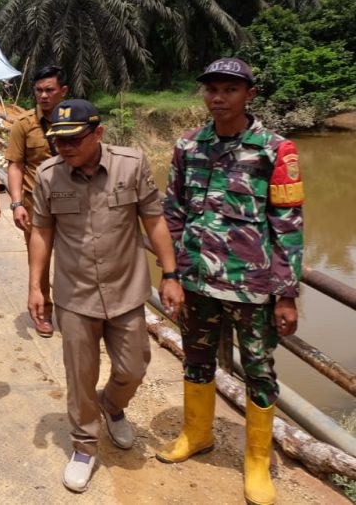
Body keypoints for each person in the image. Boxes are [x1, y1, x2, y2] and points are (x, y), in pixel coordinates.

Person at [156, 58, 302, 505]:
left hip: (253, 288)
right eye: (212, 89)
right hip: (197, 283)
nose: (219, 97)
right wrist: (173, 275)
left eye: (230, 90)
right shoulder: (188, 145)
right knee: (196, 359)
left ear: (249, 95)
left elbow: (288, 224)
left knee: (259, 371)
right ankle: (197, 433)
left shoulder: (276, 150)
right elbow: (173, 213)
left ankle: (256, 461)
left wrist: (286, 293)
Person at [27, 99, 179, 493]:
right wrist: (35, 288)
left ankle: (112, 405)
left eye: (74, 139)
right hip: (74, 294)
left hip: (126, 289)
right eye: (58, 141)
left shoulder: (131, 165)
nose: (65, 148)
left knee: (135, 367)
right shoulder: (48, 176)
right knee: (80, 376)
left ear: (98, 133)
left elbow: (154, 219)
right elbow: (41, 233)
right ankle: (84, 445)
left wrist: (171, 274)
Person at [5, 65, 69, 337]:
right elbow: (15, 166)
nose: (43, 96)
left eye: (49, 90)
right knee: (39, 263)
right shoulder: (24, 125)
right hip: (36, 205)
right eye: (39, 90)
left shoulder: (74, 120)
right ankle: (43, 312)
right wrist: (17, 203)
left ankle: (72, 311)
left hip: (71, 204)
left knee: (72, 260)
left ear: (63, 92)